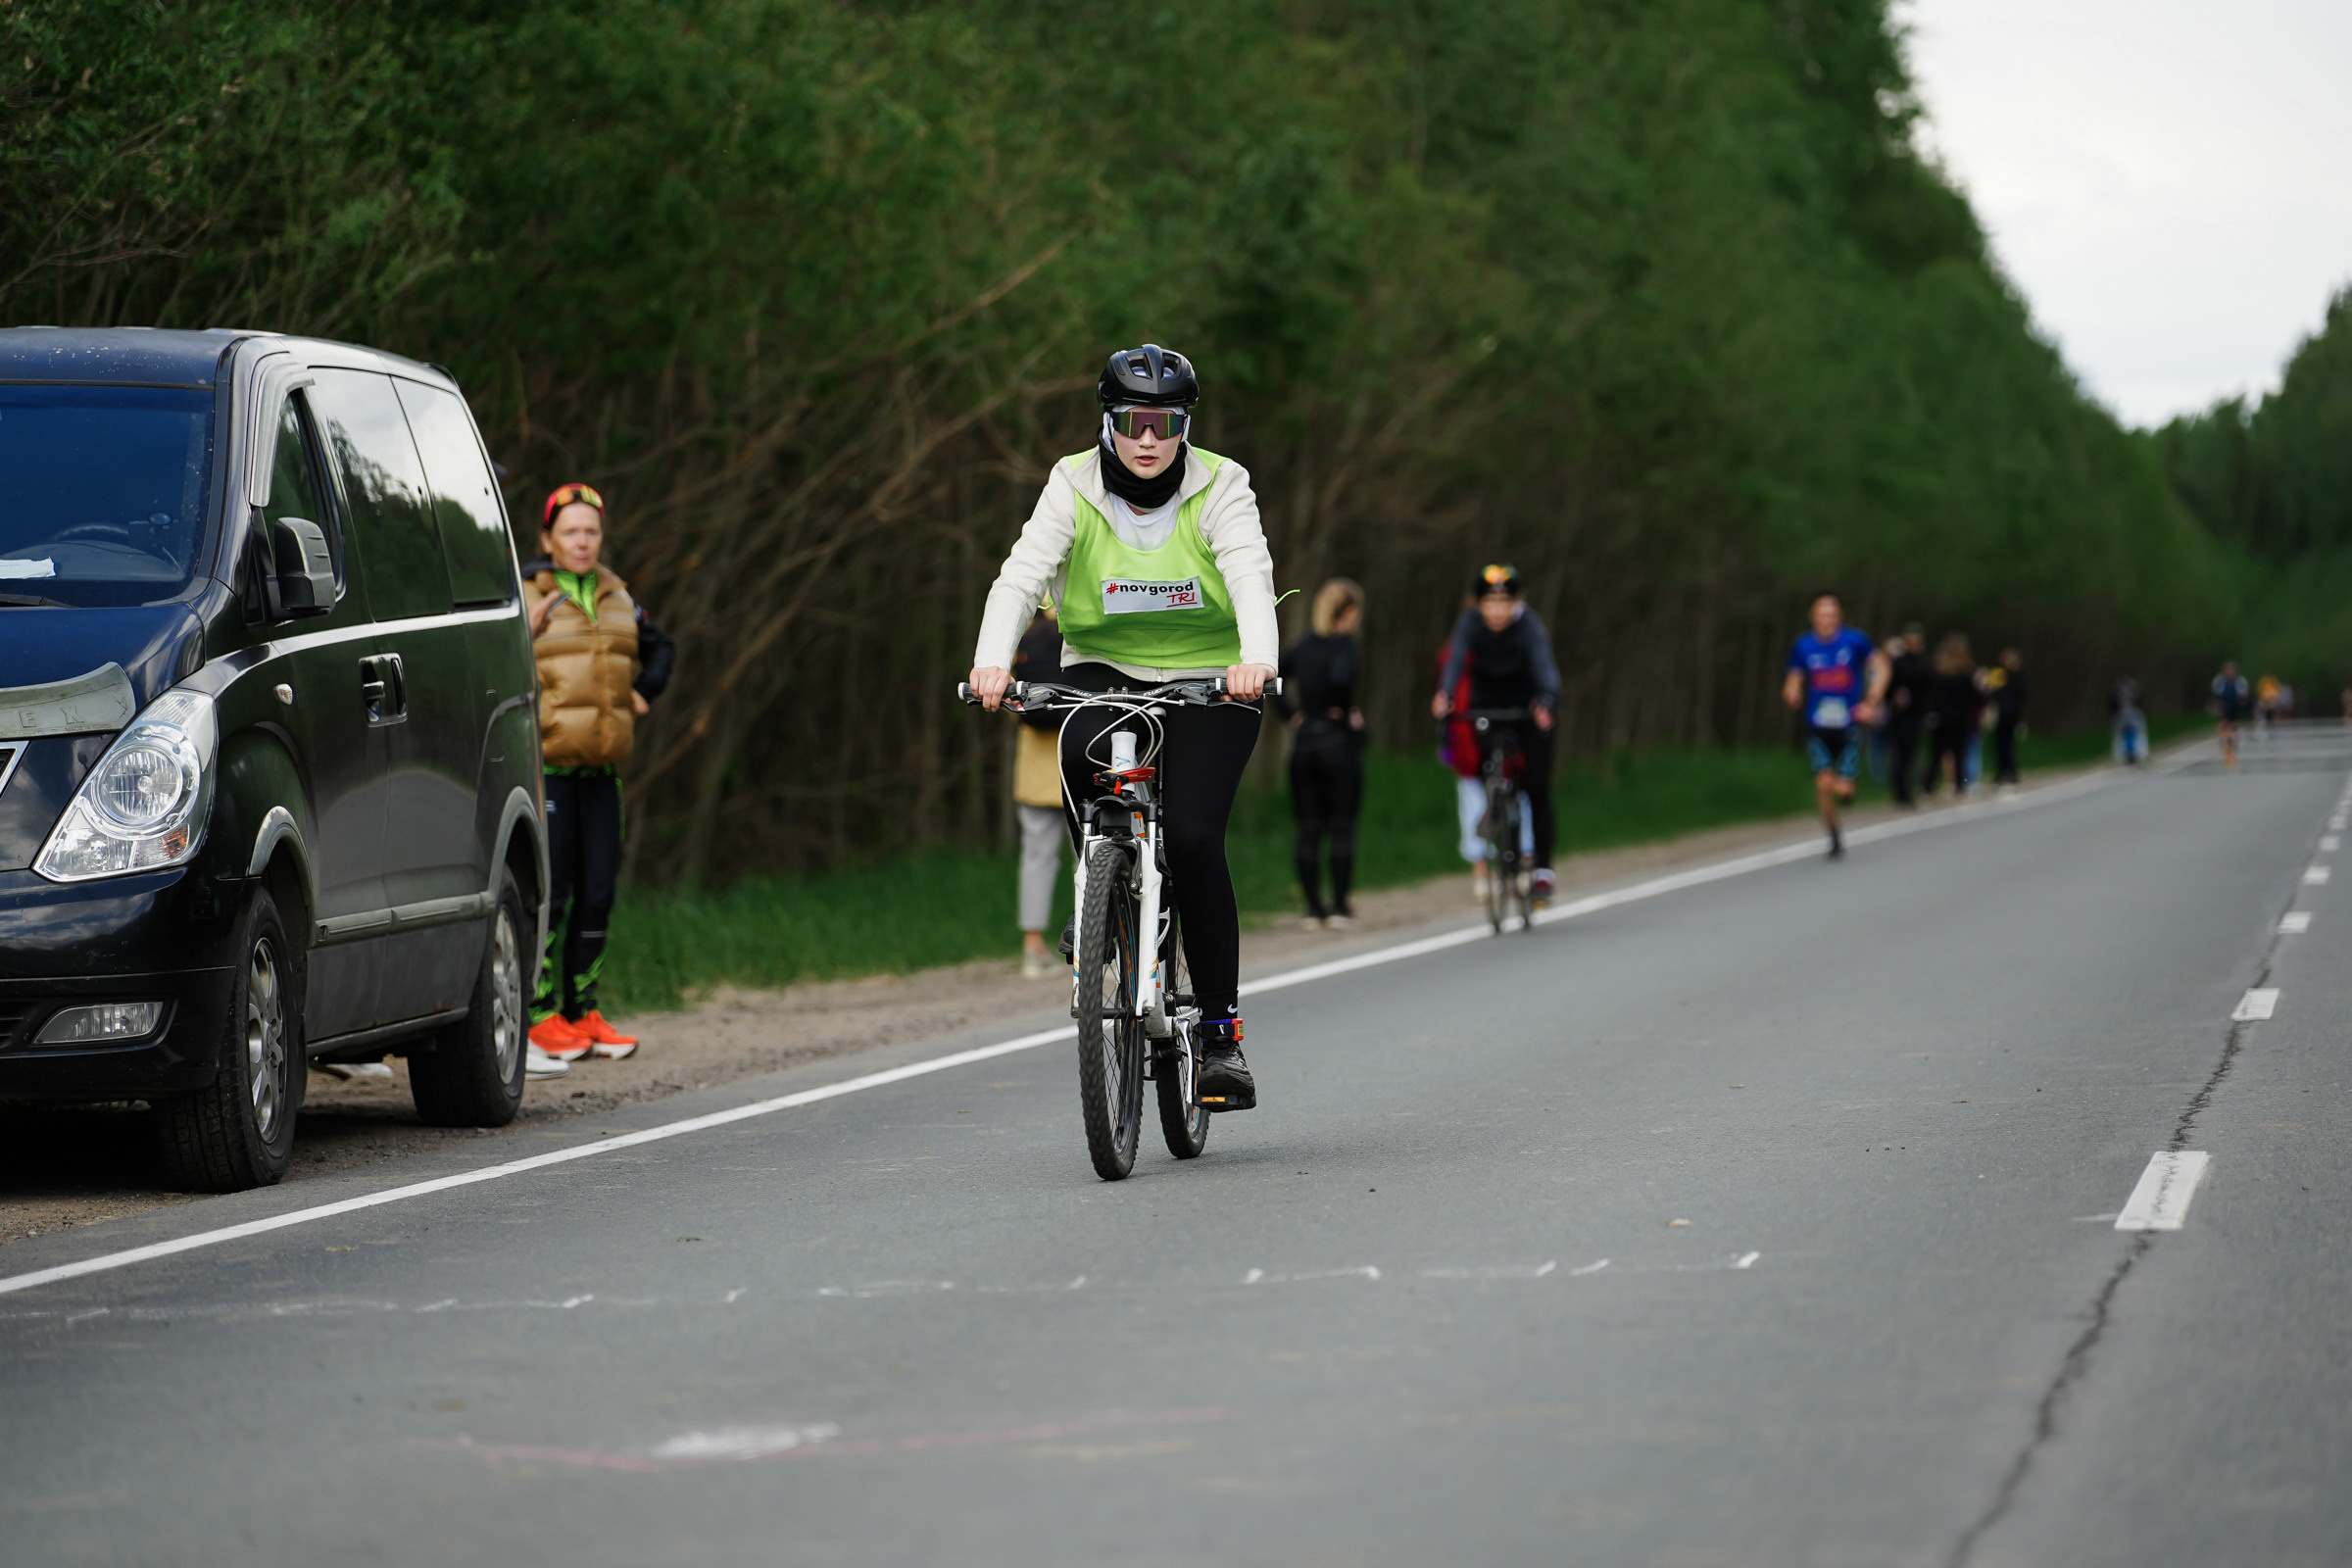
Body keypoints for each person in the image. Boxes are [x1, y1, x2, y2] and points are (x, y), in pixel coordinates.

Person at [967, 344, 1277, 1111]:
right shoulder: (1071, 483)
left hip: (1212, 678)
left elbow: (1249, 571)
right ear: (1108, 422)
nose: (1148, 439)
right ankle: (1100, 896)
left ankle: (1218, 1035)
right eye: (1132, 422)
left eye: (1164, 424)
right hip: (1103, 667)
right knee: (1077, 752)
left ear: (1183, 428)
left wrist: (1256, 660)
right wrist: (991, 663)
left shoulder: (1222, 484)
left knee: (1198, 838)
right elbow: (1021, 574)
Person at [522, 483, 674, 1068]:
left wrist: (643, 692)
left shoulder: (617, 596)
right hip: (549, 772)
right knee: (553, 893)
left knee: (600, 892)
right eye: (571, 533)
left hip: (603, 773)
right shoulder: (529, 593)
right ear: (548, 540)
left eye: (591, 532)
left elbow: (664, 648)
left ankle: (583, 1010)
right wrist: (523, 635)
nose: (583, 542)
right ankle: (538, 1015)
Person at [1433, 564, 1562, 906]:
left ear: (1515, 604)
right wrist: (1444, 696)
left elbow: (1546, 669)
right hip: (1486, 707)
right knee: (1491, 761)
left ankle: (1542, 871)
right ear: (1480, 604)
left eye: (1504, 603)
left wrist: (1547, 701)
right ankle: (1495, 803)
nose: (1497, 611)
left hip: (1527, 707)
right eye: (1490, 603)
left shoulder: (1529, 625)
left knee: (1536, 786)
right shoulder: (1470, 623)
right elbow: (1456, 660)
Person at [1277, 578, 1366, 929]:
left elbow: (1276, 678)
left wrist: (1292, 715)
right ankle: (1340, 907)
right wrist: (1346, 712)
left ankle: (1314, 909)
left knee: (1308, 828)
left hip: (1304, 744)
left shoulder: (1304, 647)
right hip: (1337, 744)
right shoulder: (1346, 646)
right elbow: (1342, 680)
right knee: (1342, 827)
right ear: (1347, 612)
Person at [1781, 592, 1886, 858]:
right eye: (1821, 615)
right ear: (1813, 618)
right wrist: (1792, 691)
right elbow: (1794, 677)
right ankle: (1834, 835)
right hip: (1818, 726)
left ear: (1838, 617)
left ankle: (1848, 790)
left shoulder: (1855, 641)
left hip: (1848, 725)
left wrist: (1871, 701)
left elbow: (1882, 667)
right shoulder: (1803, 646)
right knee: (1823, 783)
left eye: (1831, 615)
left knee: (1843, 787)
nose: (1826, 620)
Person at [1011, 607, 1066, 979]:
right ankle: (1103, 950)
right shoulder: (1090, 607)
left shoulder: (1023, 621)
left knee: (1037, 857)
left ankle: (1032, 947)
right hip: (1090, 755)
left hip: (1035, 767)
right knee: (1097, 855)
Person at [1921, 633, 1979, 799]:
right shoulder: (1967, 673)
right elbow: (1973, 696)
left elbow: (1932, 697)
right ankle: (1960, 785)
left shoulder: (1939, 672)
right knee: (1959, 754)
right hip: (1959, 719)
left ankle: (1928, 787)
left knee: (1936, 754)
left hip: (1941, 720)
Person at [1885, 623, 1931, 807]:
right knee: (1899, 755)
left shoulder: (1924, 665)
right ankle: (1900, 792)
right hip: (1900, 716)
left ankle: (1910, 789)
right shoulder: (1898, 663)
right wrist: (1894, 696)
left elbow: (1929, 688)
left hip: (1916, 714)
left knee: (1912, 754)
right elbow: (1887, 688)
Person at [1987, 648, 2027, 792]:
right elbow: (1993, 694)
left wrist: (2020, 720)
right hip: (2000, 716)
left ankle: (2011, 772)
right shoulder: (1998, 674)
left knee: (2009, 746)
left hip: (2012, 717)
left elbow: (2021, 699)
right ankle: (2001, 772)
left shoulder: (2018, 677)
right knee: (1999, 746)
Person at [2213, 661, 2250, 768]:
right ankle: (2225, 741)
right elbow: (2217, 695)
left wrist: (2242, 702)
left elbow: (2243, 694)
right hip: (2225, 706)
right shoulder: (2220, 681)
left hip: (2235, 706)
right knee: (2224, 724)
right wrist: (2218, 706)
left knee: (2234, 725)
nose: (2229, 672)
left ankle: (2234, 742)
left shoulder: (2239, 681)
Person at [2112, 676, 2148, 763]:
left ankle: (2132, 755)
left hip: (2129, 722)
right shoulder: (2124, 709)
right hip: (2127, 723)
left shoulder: (2130, 708)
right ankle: (2130, 755)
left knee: (2130, 739)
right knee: (2128, 739)